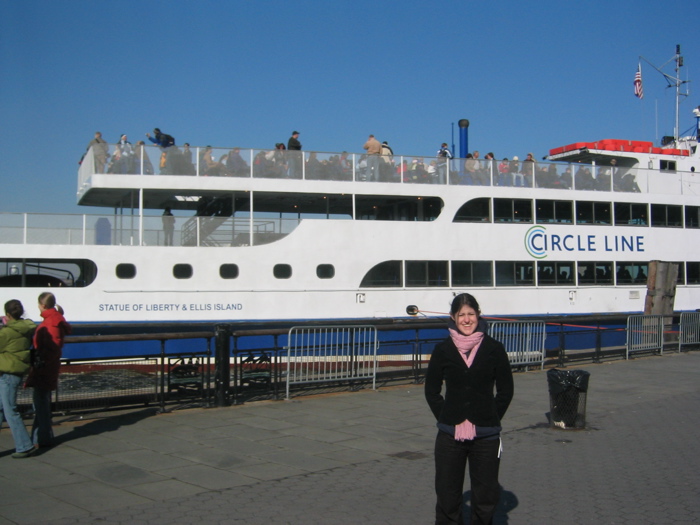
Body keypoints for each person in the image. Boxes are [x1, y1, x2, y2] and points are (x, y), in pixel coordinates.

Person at [425, 293, 514, 525]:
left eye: (471, 314)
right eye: (461, 315)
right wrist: (447, 417)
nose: (466, 320)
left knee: (485, 498)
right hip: (449, 436)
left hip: (485, 437)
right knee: (447, 497)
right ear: (453, 318)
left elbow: (506, 391)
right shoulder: (442, 350)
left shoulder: (494, 348)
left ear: (478, 315)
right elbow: (431, 391)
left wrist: (489, 417)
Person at [24, 293, 71, 450]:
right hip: (47, 367)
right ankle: (40, 437)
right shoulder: (55, 320)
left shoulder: (50, 323)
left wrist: (40, 362)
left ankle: (43, 438)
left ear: (42, 305)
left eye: (38, 304)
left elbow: (52, 348)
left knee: (41, 404)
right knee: (41, 403)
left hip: (44, 368)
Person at [0, 299, 37, 458]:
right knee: (3, 408)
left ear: (7, 315)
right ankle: (24, 444)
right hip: (17, 371)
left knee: (10, 410)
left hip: (7, 372)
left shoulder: (7, 332)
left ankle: (24, 445)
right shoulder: (26, 328)